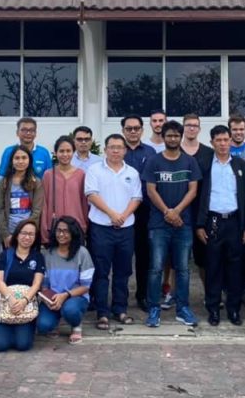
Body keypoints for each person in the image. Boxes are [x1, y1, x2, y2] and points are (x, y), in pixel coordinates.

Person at [142, 120, 202, 328]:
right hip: (159, 224)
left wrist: (177, 211)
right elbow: (151, 190)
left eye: (177, 135)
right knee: (156, 268)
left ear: (181, 136)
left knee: (183, 269)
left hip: (183, 224)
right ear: (164, 137)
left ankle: (183, 308)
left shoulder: (189, 162)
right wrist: (167, 211)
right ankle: (154, 309)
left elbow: (193, 190)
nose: (173, 138)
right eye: (169, 135)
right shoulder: (153, 161)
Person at [196, 125, 245, 326]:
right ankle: (213, 309)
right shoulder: (204, 164)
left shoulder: (240, 165)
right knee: (213, 267)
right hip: (212, 222)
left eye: (226, 140)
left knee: (235, 268)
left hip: (235, 222)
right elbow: (198, 197)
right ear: (212, 142)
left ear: (231, 141)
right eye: (218, 140)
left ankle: (234, 309)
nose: (222, 144)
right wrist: (199, 225)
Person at [85, 134, 143, 330]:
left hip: (126, 229)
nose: (116, 151)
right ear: (105, 149)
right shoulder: (94, 170)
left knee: (123, 271)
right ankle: (102, 312)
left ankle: (120, 309)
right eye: (112, 147)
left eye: (119, 147)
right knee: (101, 272)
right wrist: (112, 214)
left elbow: (136, 197)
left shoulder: (133, 173)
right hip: (101, 227)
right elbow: (92, 195)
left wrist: (123, 216)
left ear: (125, 150)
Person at [37, 217, 95, 345]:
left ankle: (76, 325)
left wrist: (65, 295)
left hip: (75, 297)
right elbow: (45, 285)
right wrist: (47, 300)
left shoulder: (82, 253)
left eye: (66, 231)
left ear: (73, 233)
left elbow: (86, 286)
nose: (61, 234)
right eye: (58, 230)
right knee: (42, 326)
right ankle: (56, 320)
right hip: (53, 298)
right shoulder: (48, 254)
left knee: (70, 310)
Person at [0, 219, 45, 352]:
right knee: (0, 345)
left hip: (26, 302)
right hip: (6, 300)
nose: (27, 237)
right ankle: (2, 329)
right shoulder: (6, 255)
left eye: (31, 234)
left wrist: (24, 301)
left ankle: (20, 330)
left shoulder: (38, 257)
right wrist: (11, 299)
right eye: (23, 233)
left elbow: (37, 283)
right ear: (17, 235)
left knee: (23, 345)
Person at [121, 114, 157, 312]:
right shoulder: (117, 151)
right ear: (123, 131)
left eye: (136, 128)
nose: (133, 131)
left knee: (144, 257)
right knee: (124, 257)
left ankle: (142, 295)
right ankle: (121, 296)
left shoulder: (151, 152)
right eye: (129, 128)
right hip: (121, 210)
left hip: (145, 211)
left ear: (142, 130)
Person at [181, 114, 215, 288]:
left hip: (203, 212)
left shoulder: (209, 153)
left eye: (195, 125)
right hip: (179, 212)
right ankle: (172, 293)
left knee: (204, 257)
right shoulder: (174, 151)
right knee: (177, 259)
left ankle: (209, 291)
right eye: (188, 125)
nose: (191, 128)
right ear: (183, 127)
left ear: (199, 129)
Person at [0, 145, 45, 248]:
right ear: (12, 161)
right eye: (17, 158)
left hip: (29, 235)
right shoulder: (4, 182)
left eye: (24, 158)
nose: (20, 161)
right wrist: (5, 234)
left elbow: (37, 210)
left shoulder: (36, 182)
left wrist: (26, 232)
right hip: (9, 233)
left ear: (29, 161)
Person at [41, 136, 87, 245]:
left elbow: (84, 203)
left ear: (73, 152)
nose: (65, 154)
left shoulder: (81, 174)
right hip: (54, 227)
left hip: (76, 226)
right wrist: (44, 231)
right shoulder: (48, 174)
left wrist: (84, 226)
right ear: (55, 153)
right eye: (61, 151)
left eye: (68, 151)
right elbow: (44, 204)